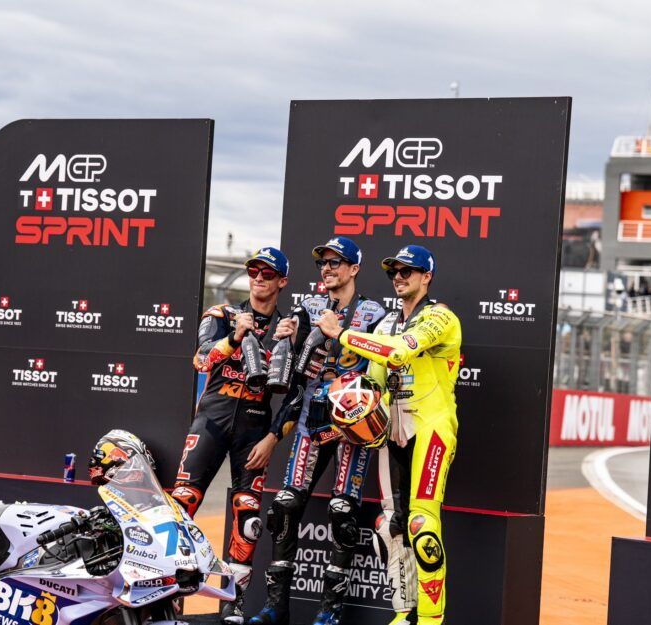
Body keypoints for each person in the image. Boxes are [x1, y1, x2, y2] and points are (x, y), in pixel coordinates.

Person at [315, 245, 462, 625]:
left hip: (432, 428)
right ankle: (403, 613)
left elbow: (398, 354)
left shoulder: (440, 318)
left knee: (422, 525)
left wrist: (341, 334)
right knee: (392, 526)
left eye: (407, 271)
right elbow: (377, 382)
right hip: (391, 434)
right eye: (393, 271)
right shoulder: (384, 326)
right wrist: (348, 408)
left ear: (426, 276)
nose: (398, 277)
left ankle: (430, 619)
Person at [250, 237, 386, 625]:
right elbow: (290, 366)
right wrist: (288, 334)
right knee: (285, 504)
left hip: (352, 419)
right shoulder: (308, 307)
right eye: (322, 263)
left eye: (335, 263)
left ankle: (330, 611)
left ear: (354, 269)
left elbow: (383, 363)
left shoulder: (374, 313)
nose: (327, 269)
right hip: (313, 415)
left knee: (343, 510)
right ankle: (276, 606)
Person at [171, 247, 306, 625]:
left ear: (282, 281)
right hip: (211, 423)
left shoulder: (290, 329)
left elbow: (297, 394)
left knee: (248, 519)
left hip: (254, 431)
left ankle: (233, 603)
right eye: (253, 271)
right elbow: (200, 359)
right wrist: (235, 337)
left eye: (268, 273)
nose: (259, 278)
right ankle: (171, 595)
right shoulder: (222, 315)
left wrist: (273, 438)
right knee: (181, 505)